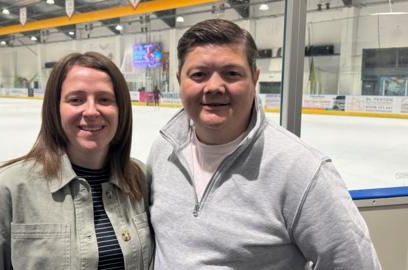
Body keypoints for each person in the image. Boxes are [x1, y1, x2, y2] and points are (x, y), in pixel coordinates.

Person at [147, 19, 381, 269]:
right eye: (198, 75)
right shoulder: (164, 151)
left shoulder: (302, 170)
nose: (214, 86)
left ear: (254, 79)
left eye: (232, 73)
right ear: (179, 80)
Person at [0, 52, 153, 270]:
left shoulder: (140, 178)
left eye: (104, 99)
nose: (91, 111)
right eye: (76, 99)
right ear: (55, 108)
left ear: (121, 110)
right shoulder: (7, 191)